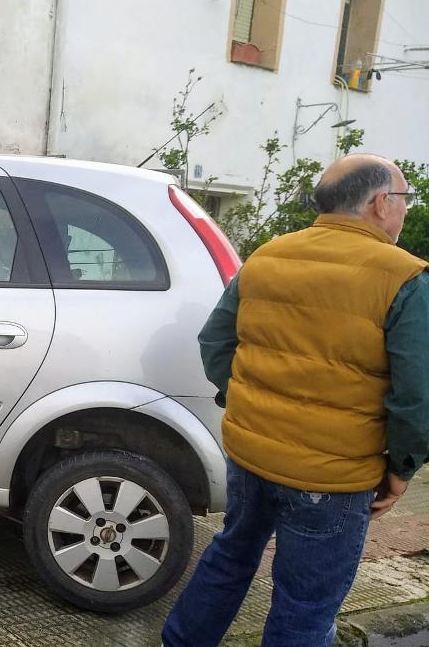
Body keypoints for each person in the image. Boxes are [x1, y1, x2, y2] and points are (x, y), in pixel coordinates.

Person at [162, 154, 429, 647]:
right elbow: (416, 395)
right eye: (405, 200)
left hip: (251, 455)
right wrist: (402, 468)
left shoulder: (268, 256)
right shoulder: (405, 278)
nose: (405, 212)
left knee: (229, 556)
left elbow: (215, 343)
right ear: (379, 203)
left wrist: (246, 401)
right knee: (304, 605)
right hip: (331, 475)